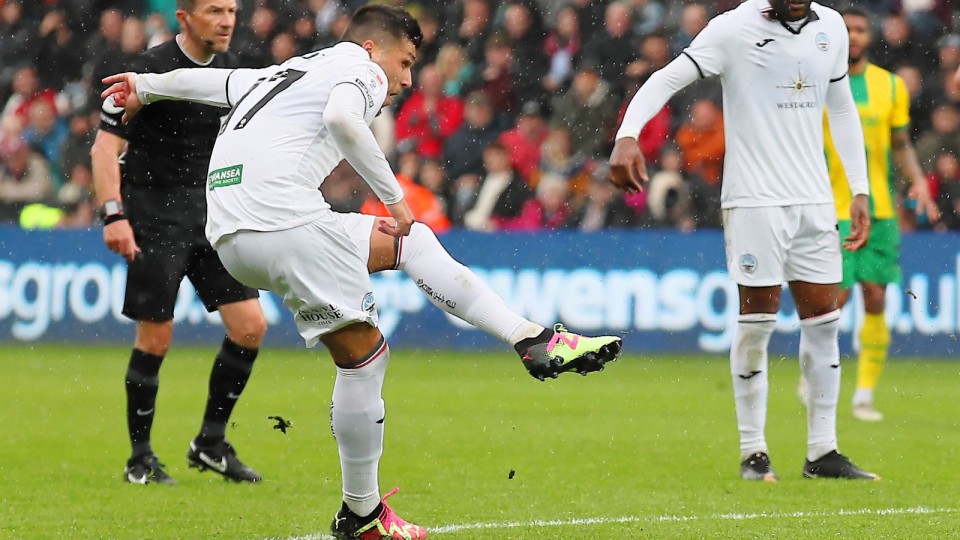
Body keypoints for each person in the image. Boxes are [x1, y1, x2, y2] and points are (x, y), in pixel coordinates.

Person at [101, 6, 623, 538]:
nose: (406, 79)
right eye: (406, 61)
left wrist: (147, 85)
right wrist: (394, 199)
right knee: (372, 339)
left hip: (230, 233)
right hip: (280, 222)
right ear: (375, 48)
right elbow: (343, 121)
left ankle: (528, 338)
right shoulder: (361, 69)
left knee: (385, 299)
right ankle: (363, 512)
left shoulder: (291, 69)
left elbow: (212, 83)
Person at [609, 0, 879, 481]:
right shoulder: (733, 28)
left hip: (815, 201)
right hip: (754, 199)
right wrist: (628, 133)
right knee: (757, 324)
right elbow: (668, 78)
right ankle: (754, 453)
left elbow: (840, 108)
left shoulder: (832, 27)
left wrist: (859, 188)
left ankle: (823, 453)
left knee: (823, 324)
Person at [90, 0, 267, 486]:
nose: (227, 20)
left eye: (232, 10)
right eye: (215, 10)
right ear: (183, 17)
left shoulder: (239, 72)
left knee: (250, 326)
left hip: (214, 218)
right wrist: (113, 214)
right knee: (156, 338)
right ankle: (140, 457)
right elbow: (106, 148)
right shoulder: (145, 72)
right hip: (155, 215)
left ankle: (209, 443)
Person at [799, 5, 939, 423]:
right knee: (832, 300)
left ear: (869, 36)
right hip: (828, 204)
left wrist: (915, 179)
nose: (855, 36)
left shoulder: (891, 86)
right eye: (848, 29)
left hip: (878, 206)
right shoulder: (815, 80)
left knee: (875, 297)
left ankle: (863, 394)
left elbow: (900, 144)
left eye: (860, 29)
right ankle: (813, 376)